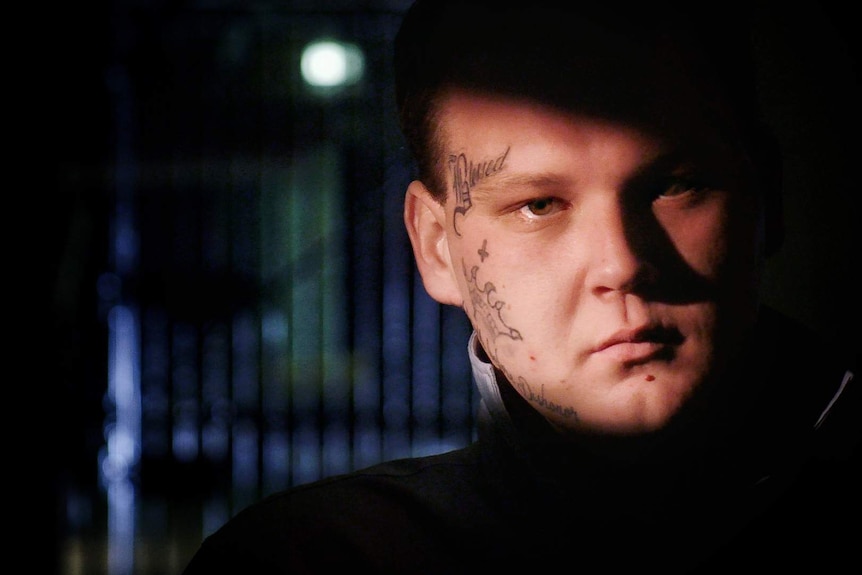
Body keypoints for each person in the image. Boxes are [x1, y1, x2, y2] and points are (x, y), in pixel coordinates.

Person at [181, 1, 859, 572]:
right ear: (437, 247)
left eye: (675, 186)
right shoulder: (316, 562)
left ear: (765, 195)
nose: (621, 264)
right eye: (538, 204)